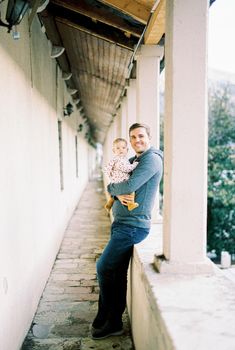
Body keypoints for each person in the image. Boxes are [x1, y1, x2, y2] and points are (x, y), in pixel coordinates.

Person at [91, 123, 163, 340]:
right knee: (117, 273)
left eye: (141, 136)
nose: (136, 140)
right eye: (132, 137)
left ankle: (108, 316)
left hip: (133, 226)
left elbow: (126, 186)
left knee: (103, 267)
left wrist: (113, 190)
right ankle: (112, 321)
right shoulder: (134, 160)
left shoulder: (152, 159)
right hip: (122, 223)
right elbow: (114, 176)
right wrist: (115, 188)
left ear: (149, 137)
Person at [103, 137, 139, 212]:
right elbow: (126, 168)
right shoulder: (119, 159)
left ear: (127, 150)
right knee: (132, 190)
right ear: (114, 151)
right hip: (121, 180)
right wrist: (135, 164)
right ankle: (131, 204)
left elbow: (107, 169)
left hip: (117, 180)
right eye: (118, 148)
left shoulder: (122, 159)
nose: (121, 150)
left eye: (123, 147)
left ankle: (109, 203)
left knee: (115, 195)